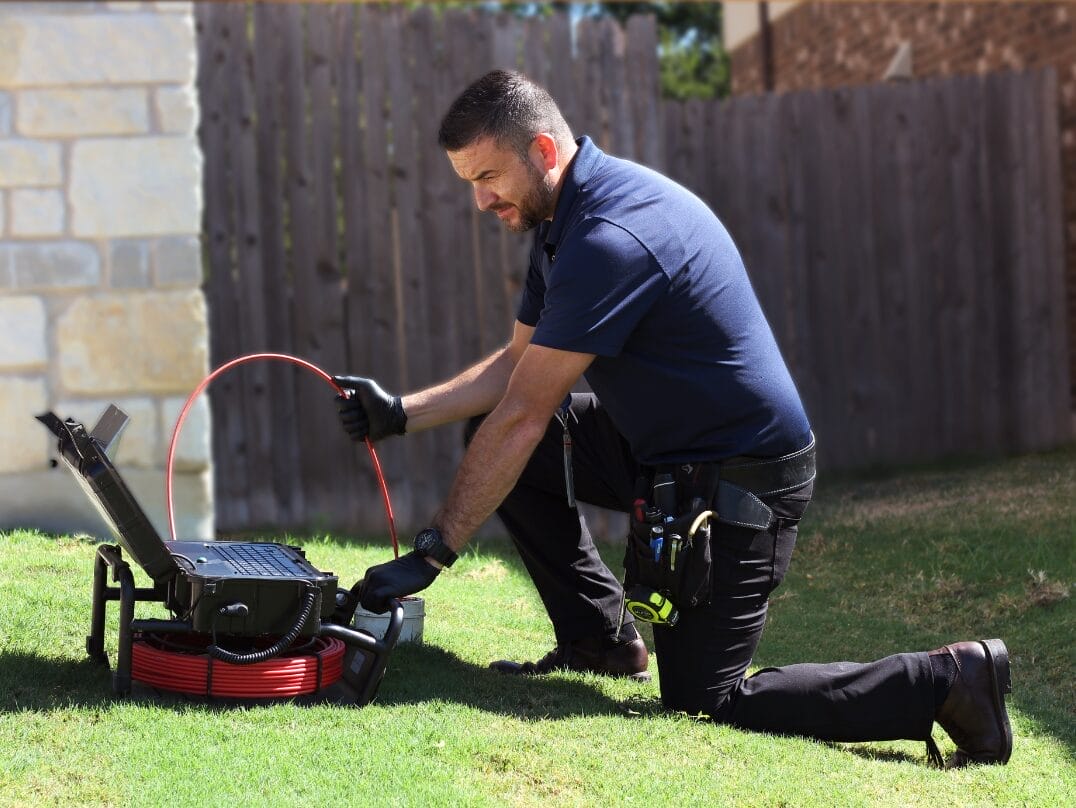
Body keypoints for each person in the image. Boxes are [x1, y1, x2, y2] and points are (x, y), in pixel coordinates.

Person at [333, 70, 1011, 768]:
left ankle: (951, 681)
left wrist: (433, 552)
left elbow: (523, 416)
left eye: (486, 176)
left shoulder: (609, 236)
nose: (480, 200)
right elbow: (517, 367)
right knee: (509, 442)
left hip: (742, 475)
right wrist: (402, 412)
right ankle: (599, 640)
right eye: (468, 181)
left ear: (541, 151)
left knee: (707, 700)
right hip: (661, 449)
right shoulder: (560, 224)